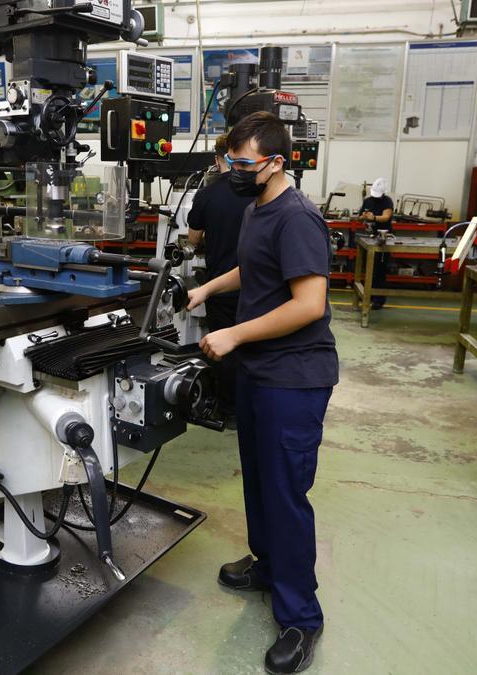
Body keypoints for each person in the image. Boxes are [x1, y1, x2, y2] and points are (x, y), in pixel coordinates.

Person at [186, 111, 338, 674]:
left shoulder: (298, 217)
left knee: (285, 495)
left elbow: (308, 305)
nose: (233, 170)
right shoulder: (257, 208)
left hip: (293, 377)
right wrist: (207, 287)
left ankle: (301, 617)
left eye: (243, 162)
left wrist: (233, 333)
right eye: (230, 160)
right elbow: (252, 270)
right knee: (257, 477)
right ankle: (268, 567)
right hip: (258, 370)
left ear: (276, 162)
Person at [187, 133, 256, 421]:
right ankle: (252, 407)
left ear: (218, 160)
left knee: (223, 350)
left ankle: (227, 411)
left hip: (220, 288)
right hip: (255, 288)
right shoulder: (259, 193)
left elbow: (192, 240)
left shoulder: (206, 195)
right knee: (253, 346)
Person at [360, 177, 393, 309]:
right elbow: (361, 215)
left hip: (383, 238)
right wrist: (364, 217)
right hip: (370, 237)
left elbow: (386, 217)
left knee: (380, 269)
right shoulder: (368, 200)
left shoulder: (387, 201)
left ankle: (378, 300)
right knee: (368, 269)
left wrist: (373, 217)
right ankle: (369, 295)